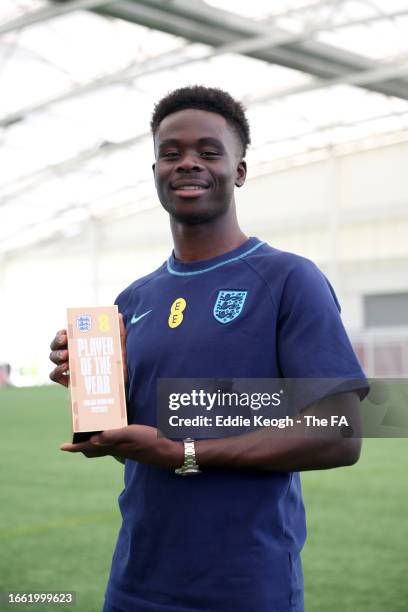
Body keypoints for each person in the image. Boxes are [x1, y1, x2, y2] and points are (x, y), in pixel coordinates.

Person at [49, 86, 368, 612]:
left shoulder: (289, 278)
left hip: (244, 588)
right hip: (133, 584)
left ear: (239, 170)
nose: (187, 163)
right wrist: (91, 391)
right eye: (171, 153)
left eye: (208, 151)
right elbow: (145, 436)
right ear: (154, 171)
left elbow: (340, 433)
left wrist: (184, 454)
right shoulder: (133, 300)